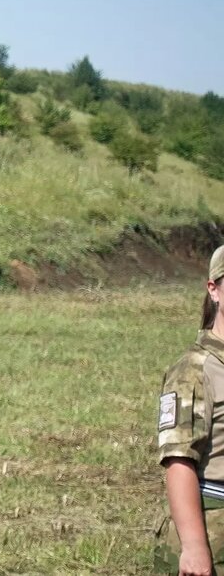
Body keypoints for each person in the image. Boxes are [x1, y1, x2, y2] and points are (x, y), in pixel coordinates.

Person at [156, 246, 224, 575]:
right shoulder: (194, 369)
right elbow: (179, 460)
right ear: (214, 290)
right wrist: (195, 547)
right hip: (212, 527)